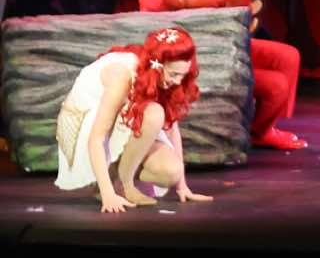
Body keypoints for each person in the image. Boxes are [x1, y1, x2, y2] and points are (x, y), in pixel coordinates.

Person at [137, 0, 305, 150]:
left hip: (225, 45)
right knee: (276, 86)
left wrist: (229, 2)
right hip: (202, 59)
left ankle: (268, 125)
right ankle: (259, 132)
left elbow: (234, 8)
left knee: (288, 56)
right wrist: (219, 1)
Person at [54, 25, 212, 213]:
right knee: (154, 114)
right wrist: (107, 194)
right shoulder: (122, 76)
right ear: (157, 65)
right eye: (174, 74)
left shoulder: (161, 79)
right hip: (87, 123)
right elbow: (96, 138)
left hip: (125, 120)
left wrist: (182, 187)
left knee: (171, 171)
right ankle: (121, 185)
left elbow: (171, 127)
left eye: (182, 75)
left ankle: (118, 176)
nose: (178, 81)